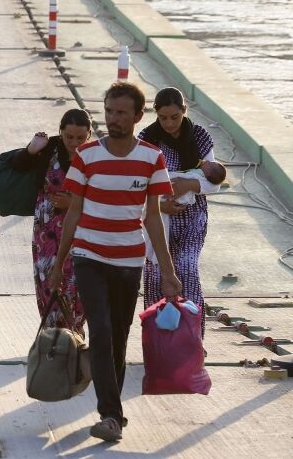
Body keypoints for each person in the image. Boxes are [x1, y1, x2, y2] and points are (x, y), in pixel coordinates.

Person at [47, 82, 182, 443]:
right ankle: (111, 415)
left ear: (138, 116)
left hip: (129, 259)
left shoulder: (152, 157)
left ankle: (111, 412)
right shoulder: (87, 156)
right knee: (102, 332)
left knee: (118, 339)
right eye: (109, 111)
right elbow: (73, 212)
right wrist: (59, 264)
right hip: (89, 256)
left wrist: (168, 272)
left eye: (122, 112)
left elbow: (153, 217)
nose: (114, 119)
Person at [138, 87, 221, 335]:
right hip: (156, 216)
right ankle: (158, 340)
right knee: (155, 274)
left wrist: (188, 184)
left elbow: (214, 180)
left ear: (184, 111)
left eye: (174, 117)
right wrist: (159, 205)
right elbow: (136, 184)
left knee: (185, 268)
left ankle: (193, 339)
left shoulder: (200, 138)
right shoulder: (146, 139)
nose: (169, 123)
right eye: (163, 118)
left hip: (192, 216)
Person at [10, 108, 93, 333]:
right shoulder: (49, 151)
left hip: (82, 233)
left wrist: (74, 204)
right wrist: (31, 150)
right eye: (69, 137)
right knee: (49, 285)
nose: (74, 143)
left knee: (76, 288)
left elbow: (106, 200)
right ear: (60, 132)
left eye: (80, 138)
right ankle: (52, 339)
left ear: (89, 135)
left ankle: (74, 335)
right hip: (46, 233)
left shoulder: (96, 157)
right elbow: (17, 166)